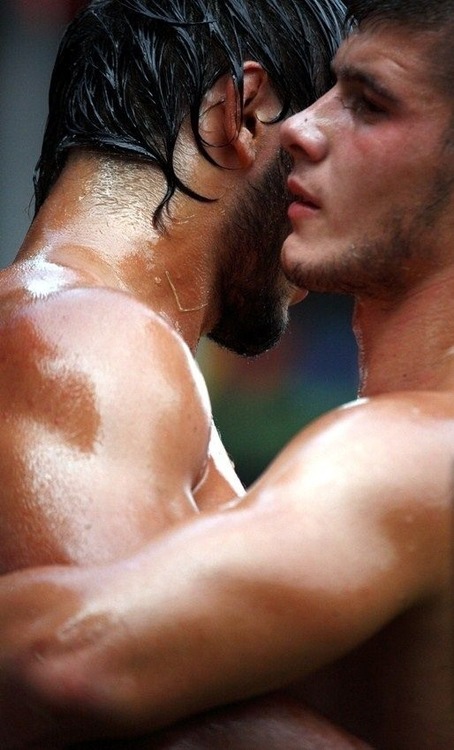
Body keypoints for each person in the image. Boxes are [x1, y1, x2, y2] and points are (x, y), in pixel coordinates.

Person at [2, 1, 452, 749]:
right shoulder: (81, 336)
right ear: (241, 114)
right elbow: (103, 691)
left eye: (367, 105)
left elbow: (90, 669)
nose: (303, 131)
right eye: (325, 96)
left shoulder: (400, 450)